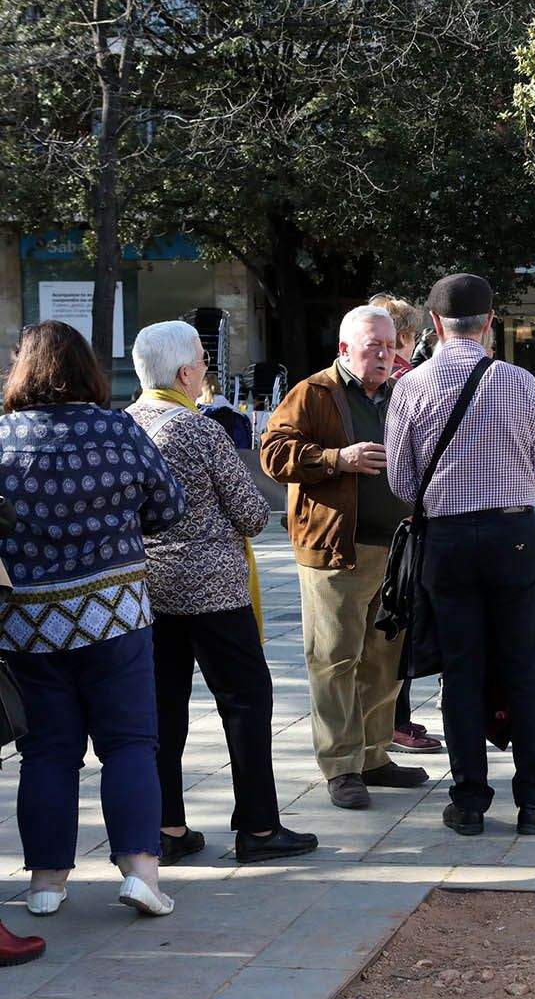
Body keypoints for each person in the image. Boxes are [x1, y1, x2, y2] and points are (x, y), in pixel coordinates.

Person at [0, 321, 184, 917]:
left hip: (27, 621)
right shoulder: (117, 429)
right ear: (88, 369)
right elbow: (168, 507)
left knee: (47, 751)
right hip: (116, 613)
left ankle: (46, 884)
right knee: (130, 743)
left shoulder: (2, 437)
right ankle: (139, 872)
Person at [128, 321, 319, 866]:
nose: (206, 374)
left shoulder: (125, 427)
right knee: (245, 702)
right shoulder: (199, 430)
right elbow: (253, 513)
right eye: (203, 365)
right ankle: (258, 829)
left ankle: (167, 827)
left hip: (148, 589)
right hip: (212, 590)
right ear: (186, 373)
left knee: (164, 709)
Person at [386, 274, 535, 835]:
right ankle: (534, 797)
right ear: (490, 323)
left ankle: (468, 800)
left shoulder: (410, 387)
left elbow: (401, 479)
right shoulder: (517, 381)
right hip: (512, 535)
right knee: (523, 667)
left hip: (447, 540)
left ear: (434, 325)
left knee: (460, 671)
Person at [261, 305, 427, 810]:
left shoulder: (404, 391)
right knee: (334, 660)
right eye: (372, 345)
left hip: (397, 549)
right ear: (344, 350)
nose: (383, 353)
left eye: (389, 345)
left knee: (386, 660)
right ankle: (340, 765)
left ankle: (374, 755)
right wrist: (338, 459)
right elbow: (272, 453)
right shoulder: (314, 393)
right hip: (337, 550)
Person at [367, 293, 442, 754]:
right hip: (403, 520)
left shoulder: (384, 383)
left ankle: (392, 721)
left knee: (389, 625)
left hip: (387, 520)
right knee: (398, 625)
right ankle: (394, 722)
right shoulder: (408, 382)